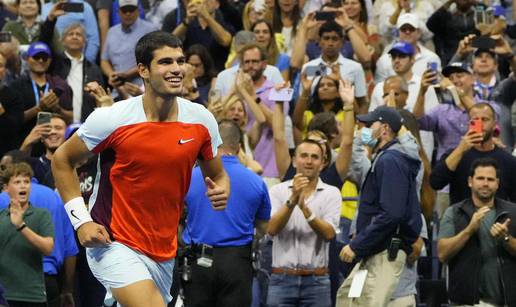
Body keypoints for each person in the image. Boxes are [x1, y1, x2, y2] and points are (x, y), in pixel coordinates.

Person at [51, 31, 230, 306]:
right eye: (165, 62)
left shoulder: (201, 119)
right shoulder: (111, 119)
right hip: (112, 243)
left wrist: (221, 190)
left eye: (180, 61)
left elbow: (216, 174)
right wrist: (81, 221)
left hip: (164, 251)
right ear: (143, 70)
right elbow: (62, 161)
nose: (176, 69)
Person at [336, 106, 422, 306]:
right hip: (372, 251)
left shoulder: (391, 160)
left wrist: (357, 244)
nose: (364, 129)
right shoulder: (384, 158)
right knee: (348, 299)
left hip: (384, 251)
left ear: (384, 129)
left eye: (369, 125)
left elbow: (392, 214)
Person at [182, 119, 271, 307]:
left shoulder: (189, 178)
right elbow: (263, 227)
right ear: (239, 148)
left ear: (211, 144)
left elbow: (176, 219)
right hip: (236, 262)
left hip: (198, 260)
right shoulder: (256, 182)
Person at [266, 139, 341, 306]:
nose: (309, 161)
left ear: (322, 163)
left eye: (315, 157)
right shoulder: (277, 191)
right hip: (281, 280)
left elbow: (329, 233)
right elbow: (271, 229)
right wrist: (292, 200)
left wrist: (305, 209)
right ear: (294, 161)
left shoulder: (332, 193)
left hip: (317, 281)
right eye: (304, 156)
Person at [0, 151, 78, 307]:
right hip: (44, 282)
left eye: (3, 168)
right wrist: (67, 290)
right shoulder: (54, 197)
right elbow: (70, 250)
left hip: (32, 288)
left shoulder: (3, 199)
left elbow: (52, 248)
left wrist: (21, 226)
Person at [437, 158, 516, 306]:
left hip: (506, 301)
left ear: (497, 184)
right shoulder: (454, 212)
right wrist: (469, 230)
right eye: (480, 178)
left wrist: (506, 238)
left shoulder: (513, 212)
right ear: (470, 181)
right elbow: (442, 254)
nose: (485, 183)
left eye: (490, 179)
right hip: (466, 302)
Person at [430, 103, 516, 205]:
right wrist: (460, 149)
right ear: (469, 124)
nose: (480, 124)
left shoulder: (508, 161)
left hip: (497, 218)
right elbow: (435, 183)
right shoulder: (456, 155)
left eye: (485, 119)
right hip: (462, 218)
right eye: (475, 120)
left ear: (494, 124)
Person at [0, 162, 54, 307]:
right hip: (4, 296)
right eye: (17, 182)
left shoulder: (42, 215)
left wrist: (21, 226)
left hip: (32, 296)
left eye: (26, 181)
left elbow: (48, 248)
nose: (23, 186)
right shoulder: (0, 217)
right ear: (6, 188)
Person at [3, 41, 73, 148]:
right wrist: (39, 108)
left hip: (54, 145)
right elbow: (13, 121)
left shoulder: (61, 85)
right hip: (24, 143)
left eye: (44, 58)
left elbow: (70, 118)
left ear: (50, 60)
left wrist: (57, 108)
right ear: (27, 58)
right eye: (36, 57)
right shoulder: (15, 87)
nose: (40, 60)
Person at [301, 20, 368, 114]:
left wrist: (361, 127)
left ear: (342, 42)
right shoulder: (309, 67)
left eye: (335, 39)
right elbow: (303, 101)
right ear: (319, 41)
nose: (330, 43)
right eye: (326, 38)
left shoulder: (354, 68)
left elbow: (362, 103)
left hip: (347, 119)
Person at [49, 23, 105, 123]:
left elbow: (101, 97)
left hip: (86, 123)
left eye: (78, 34)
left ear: (84, 42)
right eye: (70, 34)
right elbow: (46, 39)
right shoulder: (55, 63)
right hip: (59, 123)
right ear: (62, 41)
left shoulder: (94, 69)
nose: (74, 36)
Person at [101, 0, 157, 93]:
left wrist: (127, 74)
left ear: (138, 10)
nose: (128, 13)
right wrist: (111, 74)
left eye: (131, 10)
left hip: (143, 88)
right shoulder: (112, 31)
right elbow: (104, 61)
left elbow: (154, 58)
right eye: (124, 10)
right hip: (117, 90)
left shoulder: (150, 30)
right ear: (118, 12)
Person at [166, 0, 234, 71]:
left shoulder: (224, 22)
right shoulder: (188, 23)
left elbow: (226, 41)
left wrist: (206, 16)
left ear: (217, 4)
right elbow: (171, 43)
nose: (204, 2)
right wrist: (187, 21)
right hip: (189, 71)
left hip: (216, 73)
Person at [375, 13, 441, 84]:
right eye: (403, 29)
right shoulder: (384, 61)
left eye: (411, 29)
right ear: (398, 32)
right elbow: (379, 90)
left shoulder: (431, 58)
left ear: (418, 32)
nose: (407, 32)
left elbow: (437, 85)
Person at [20, 114, 66, 188]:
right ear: (41, 137)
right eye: (47, 129)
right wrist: (27, 143)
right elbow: (13, 172)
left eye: (58, 128)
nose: (53, 132)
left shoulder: (76, 164)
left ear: (67, 134)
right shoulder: (33, 165)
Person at [426, 0, 477, 65]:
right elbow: (430, 25)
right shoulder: (447, 16)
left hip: (473, 57)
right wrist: (449, 3)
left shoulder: (478, 15)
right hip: (450, 57)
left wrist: (476, 3)